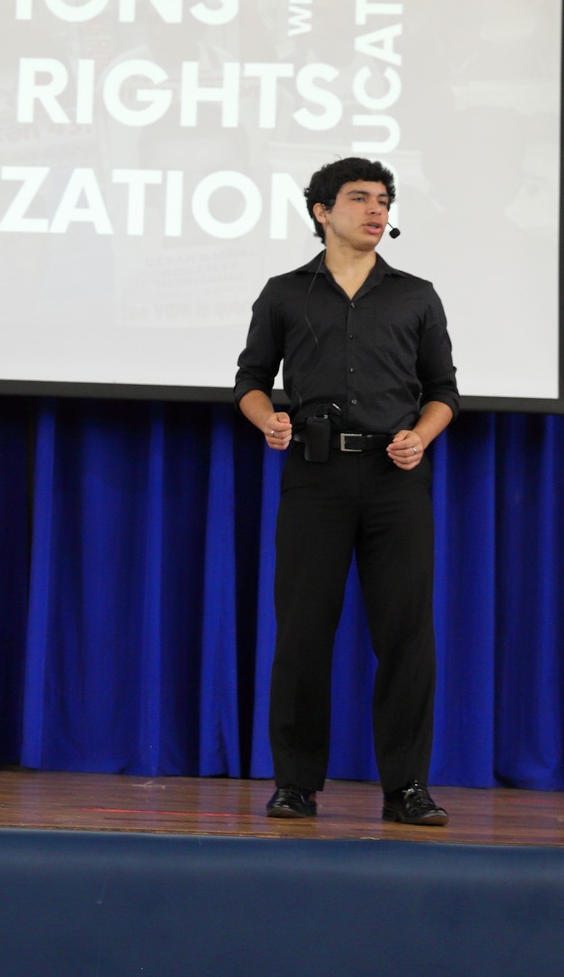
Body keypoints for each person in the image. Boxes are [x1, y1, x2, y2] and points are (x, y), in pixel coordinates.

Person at [232, 157, 459, 826]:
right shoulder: (284, 292)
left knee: (407, 635)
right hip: (316, 477)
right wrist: (267, 418)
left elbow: (444, 391)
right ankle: (295, 784)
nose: (376, 209)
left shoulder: (416, 295)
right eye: (360, 198)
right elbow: (249, 381)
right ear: (321, 211)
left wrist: (421, 435)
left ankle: (407, 787)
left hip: (395, 479)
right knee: (303, 632)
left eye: (383, 199)